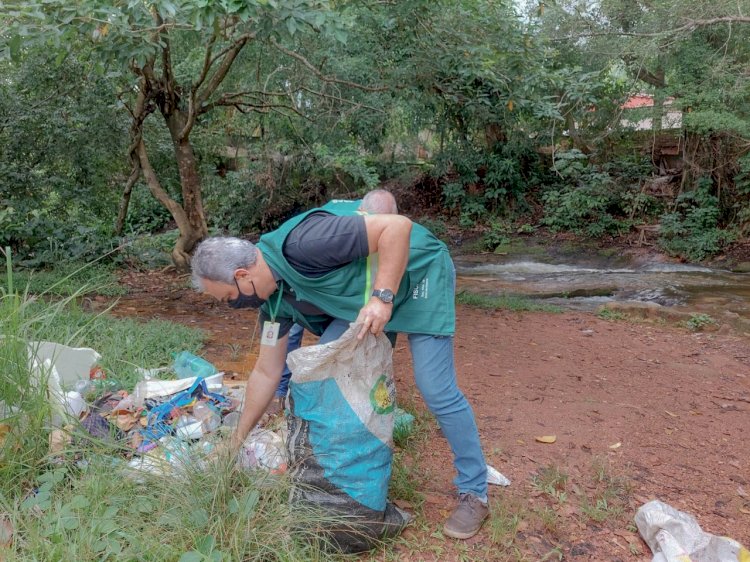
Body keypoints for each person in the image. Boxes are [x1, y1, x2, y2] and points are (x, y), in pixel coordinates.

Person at [191, 199, 490, 539]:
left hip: (418, 273)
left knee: (435, 387)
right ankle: (357, 484)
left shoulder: (305, 242)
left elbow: (397, 226)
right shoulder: (274, 301)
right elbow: (265, 372)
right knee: (327, 374)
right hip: (366, 305)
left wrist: (382, 297)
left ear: (242, 276)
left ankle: (474, 492)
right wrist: (235, 441)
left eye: (228, 298)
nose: (233, 306)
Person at [270, 190, 399, 412]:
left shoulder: (390, 227)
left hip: (348, 296)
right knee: (289, 326)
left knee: (360, 341)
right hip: (306, 281)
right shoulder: (341, 229)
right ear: (363, 214)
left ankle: (362, 402)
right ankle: (280, 393)